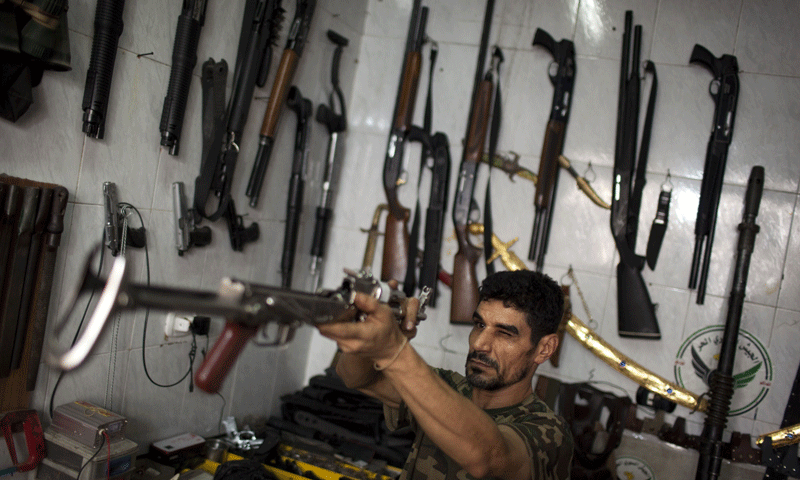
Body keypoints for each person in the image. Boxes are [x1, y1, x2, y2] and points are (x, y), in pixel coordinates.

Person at [317, 270, 573, 480]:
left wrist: (394, 351)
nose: (480, 343)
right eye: (479, 325)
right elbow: (355, 377)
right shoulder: (446, 387)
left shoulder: (549, 432)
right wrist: (369, 324)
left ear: (544, 349)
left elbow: (487, 457)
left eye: (504, 333)